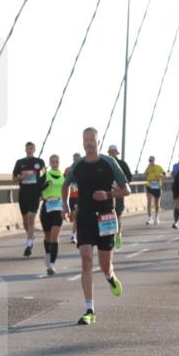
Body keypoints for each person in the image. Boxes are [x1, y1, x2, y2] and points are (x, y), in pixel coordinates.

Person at [61, 127, 130, 325]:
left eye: (92, 140)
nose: (88, 143)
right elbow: (65, 185)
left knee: (104, 265)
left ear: (98, 142)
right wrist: (65, 206)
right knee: (86, 261)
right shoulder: (78, 165)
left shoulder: (109, 162)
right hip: (84, 218)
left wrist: (107, 194)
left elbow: (126, 190)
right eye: (86, 140)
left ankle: (110, 276)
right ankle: (90, 309)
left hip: (106, 217)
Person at [12, 142, 46, 257]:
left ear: (34, 149)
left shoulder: (39, 162)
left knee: (31, 219)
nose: (29, 150)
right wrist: (20, 177)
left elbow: (45, 174)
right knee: (25, 222)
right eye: (28, 148)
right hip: (23, 194)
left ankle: (28, 245)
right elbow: (13, 178)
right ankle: (30, 237)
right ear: (25, 149)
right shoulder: (20, 162)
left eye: (31, 148)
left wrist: (41, 185)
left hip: (35, 194)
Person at [39, 155, 65, 275]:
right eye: (53, 162)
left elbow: (67, 191)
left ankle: (52, 265)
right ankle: (48, 253)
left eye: (57, 162)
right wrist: (45, 185)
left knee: (55, 236)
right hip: (46, 207)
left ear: (59, 162)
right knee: (47, 236)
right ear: (50, 163)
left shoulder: (63, 177)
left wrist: (66, 207)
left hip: (58, 208)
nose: (55, 163)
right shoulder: (46, 175)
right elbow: (37, 189)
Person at [107, 144, 132, 248]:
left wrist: (122, 186)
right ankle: (110, 236)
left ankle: (118, 235)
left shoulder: (122, 164)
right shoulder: (105, 163)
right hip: (108, 194)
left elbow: (129, 176)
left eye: (114, 151)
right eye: (110, 151)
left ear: (117, 153)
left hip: (119, 193)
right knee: (108, 216)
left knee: (117, 215)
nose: (112, 153)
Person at [143, 156, 165, 226]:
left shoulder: (158, 167)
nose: (151, 162)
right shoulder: (148, 167)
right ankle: (150, 218)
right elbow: (144, 175)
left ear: (154, 160)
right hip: (149, 186)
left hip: (157, 186)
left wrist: (161, 175)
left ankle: (156, 217)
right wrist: (148, 168)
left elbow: (164, 173)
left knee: (157, 203)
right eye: (149, 160)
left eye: (152, 160)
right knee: (149, 202)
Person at [68, 152, 81, 244]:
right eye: (74, 158)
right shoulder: (68, 169)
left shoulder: (84, 168)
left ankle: (74, 235)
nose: (76, 160)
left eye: (77, 158)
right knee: (73, 217)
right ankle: (75, 234)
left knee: (76, 217)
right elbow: (64, 183)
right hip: (71, 197)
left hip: (81, 197)